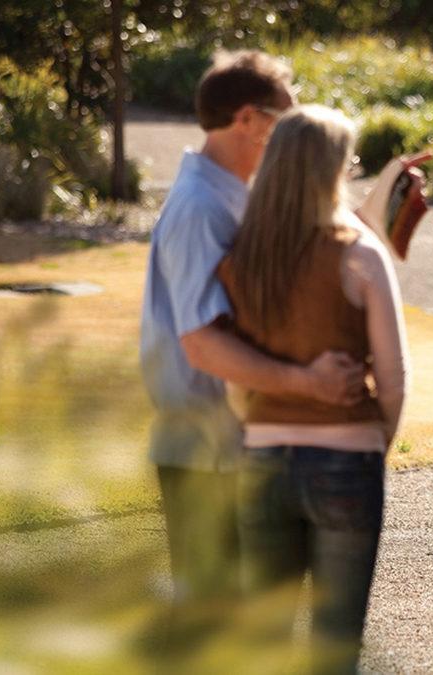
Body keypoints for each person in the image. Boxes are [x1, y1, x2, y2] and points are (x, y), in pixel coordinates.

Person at [138, 50, 364, 654]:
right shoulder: (199, 207)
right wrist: (309, 382)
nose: (292, 134)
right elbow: (203, 345)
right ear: (247, 119)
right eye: (284, 119)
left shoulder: (233, 196)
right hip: (206, 455)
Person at [216, 105, 410, 673]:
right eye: (348, 160)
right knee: (334, 647)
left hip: (262, 459)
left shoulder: (242, 256)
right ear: (330, 169)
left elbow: (235, 378)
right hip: (346, 459)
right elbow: (394, 377)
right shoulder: (361, 254)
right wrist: (376, 442)